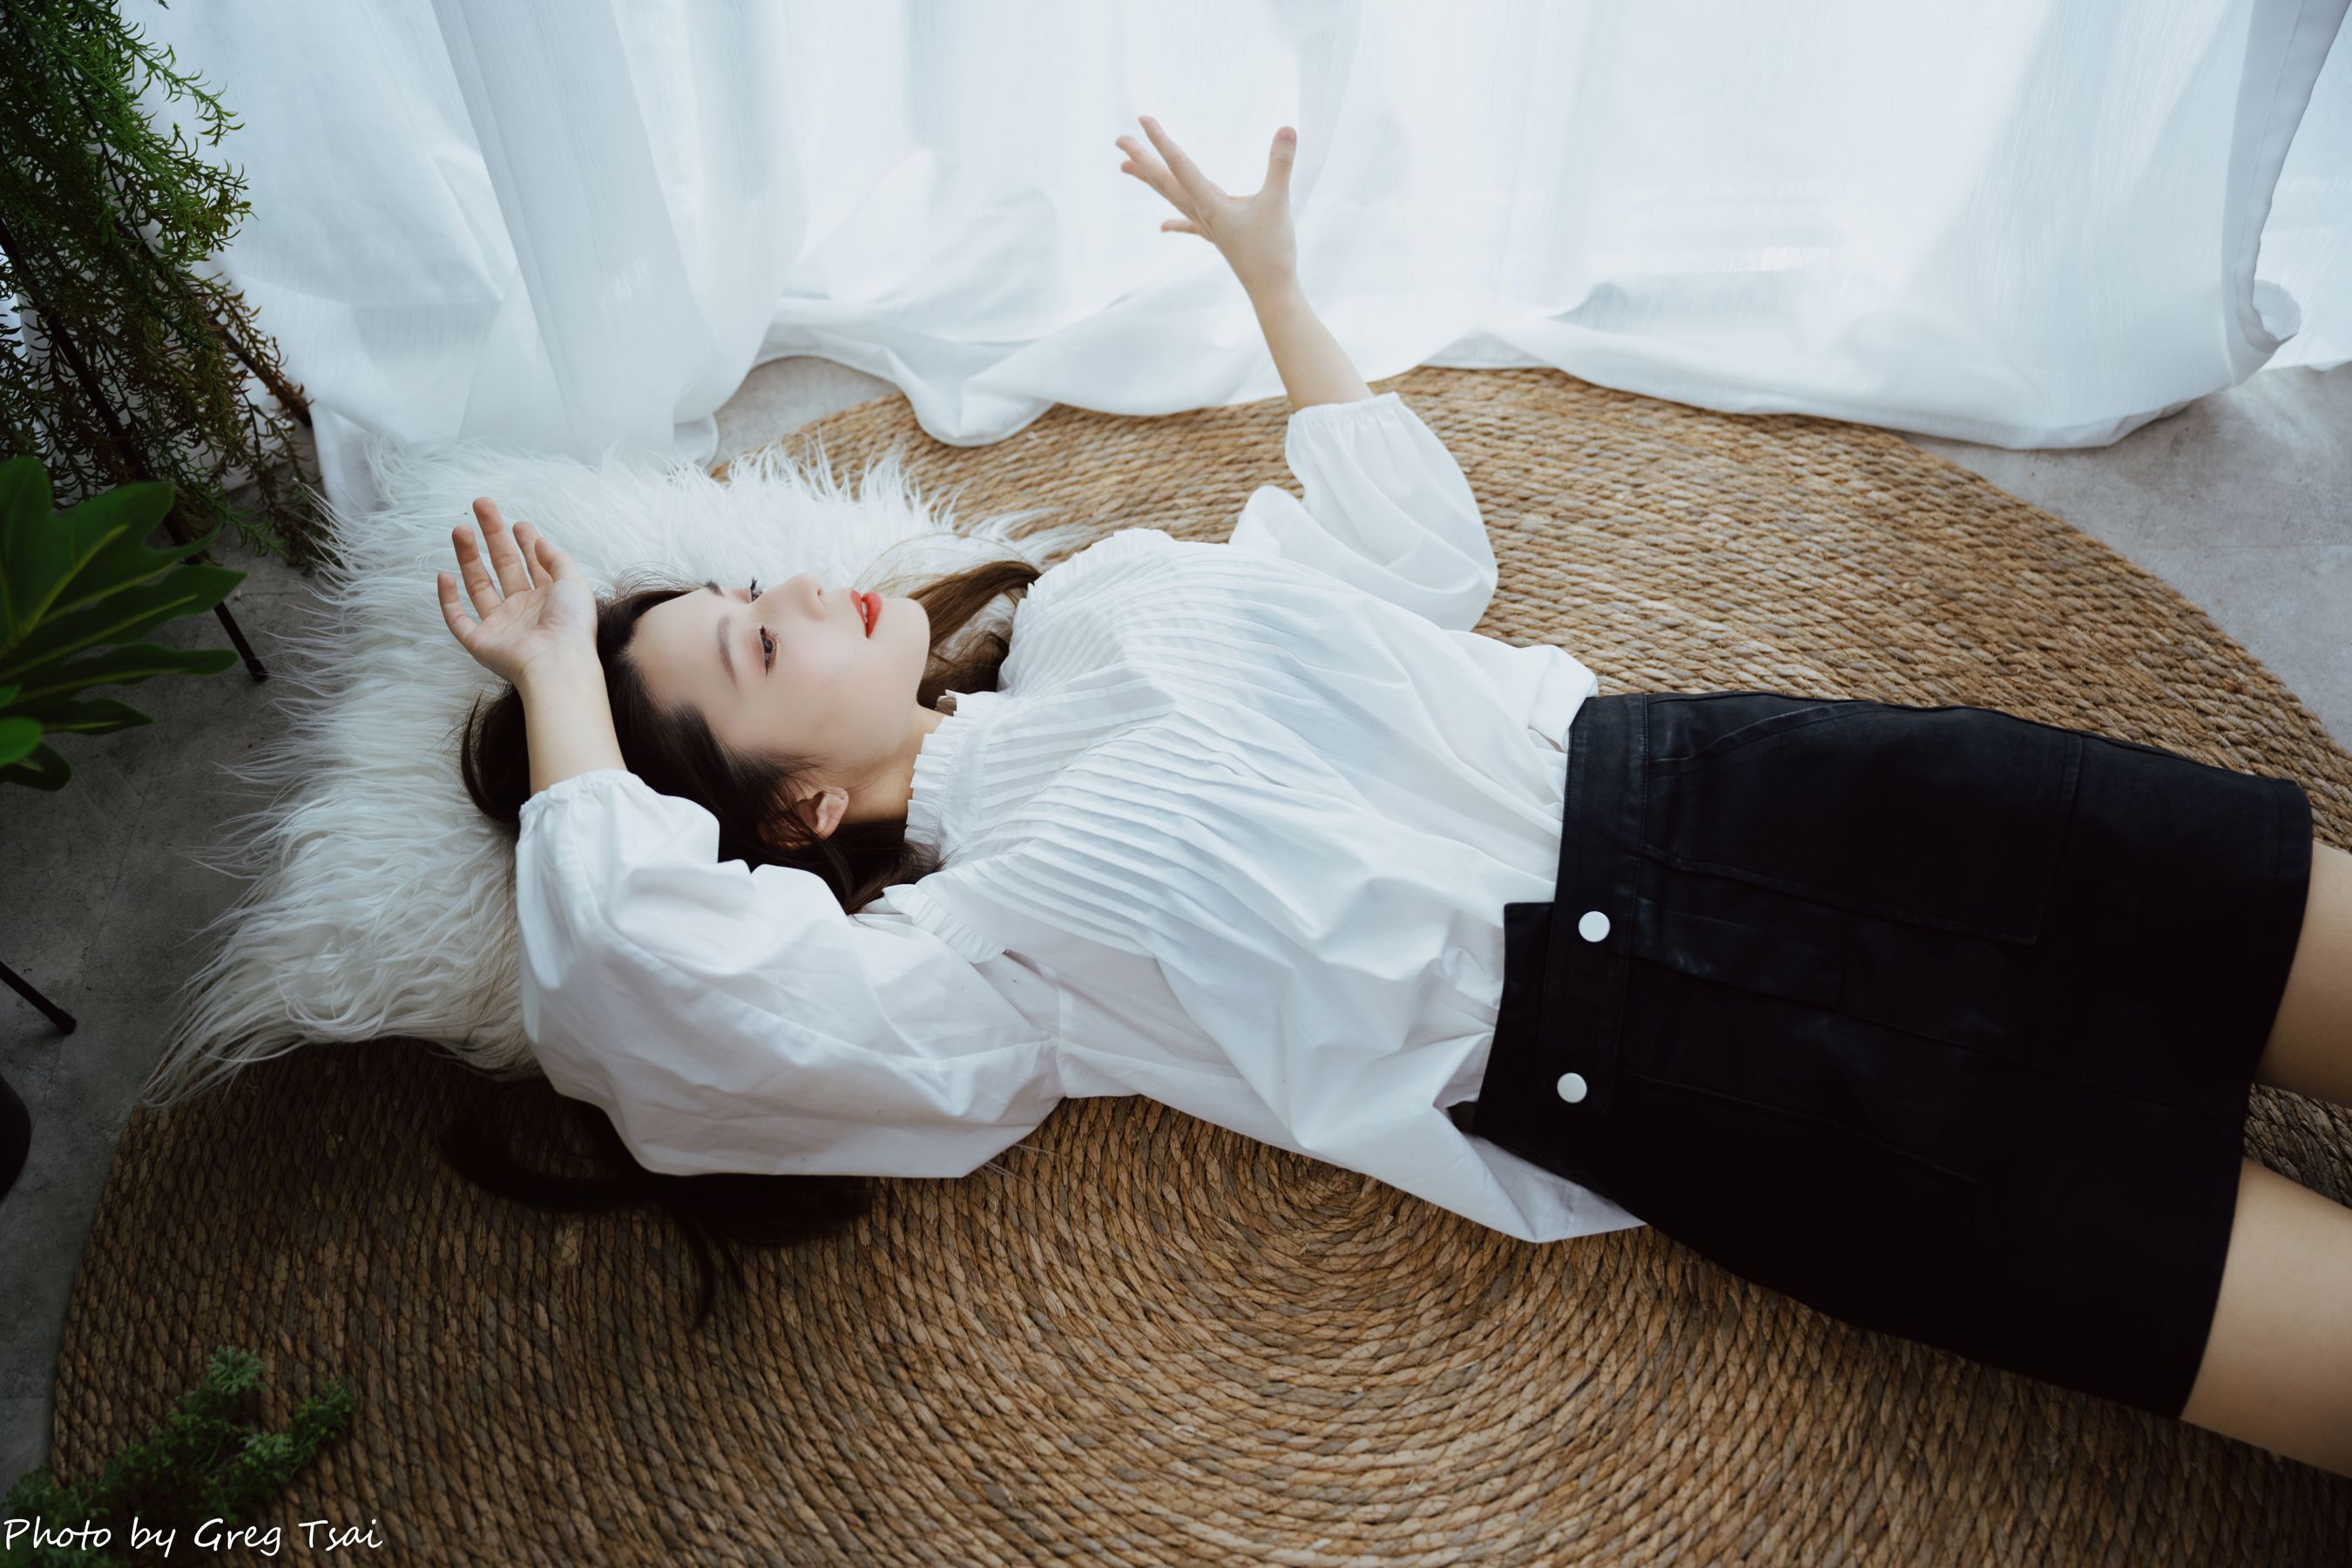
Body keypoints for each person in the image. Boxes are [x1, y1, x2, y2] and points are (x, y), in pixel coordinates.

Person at [436, 116, 2352, 1477]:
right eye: (754, 646)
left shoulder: (1109, 603)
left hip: (1750, 791)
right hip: (1688, 1064)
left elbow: (1417, 555)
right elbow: (661, 1003)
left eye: (751, 586)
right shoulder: (976, 965)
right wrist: (554, 678)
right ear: (793, 821)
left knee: (2241, 915)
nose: (796, 589)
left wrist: (1275, 285)